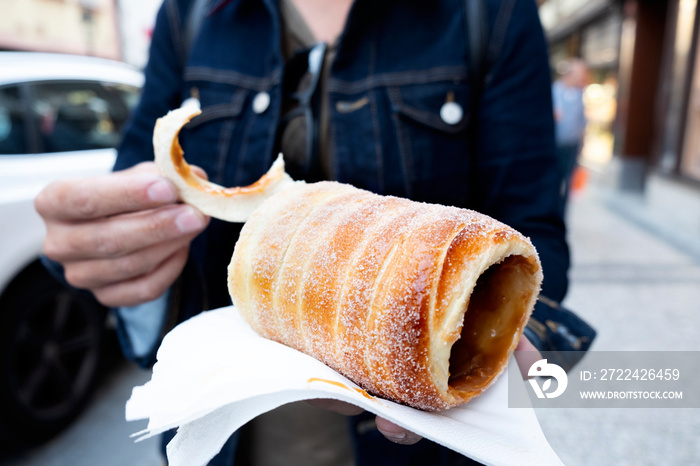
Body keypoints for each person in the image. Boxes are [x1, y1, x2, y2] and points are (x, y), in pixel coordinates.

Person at [35, 0, 569, 464]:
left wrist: (522, 347)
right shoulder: (192, 13)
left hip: (424, 450)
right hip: (233, 441)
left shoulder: (491, 13)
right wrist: (114, 252)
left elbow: (536, 227)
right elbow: (130, 188)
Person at [552, 58, 589, 215]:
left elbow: (582, 121)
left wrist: (582, 143)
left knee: (569, 180)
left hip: (572, 144)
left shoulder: (580, 94)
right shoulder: (554, 90)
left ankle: (562, 214)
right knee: (553, 180)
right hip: (554, 145)